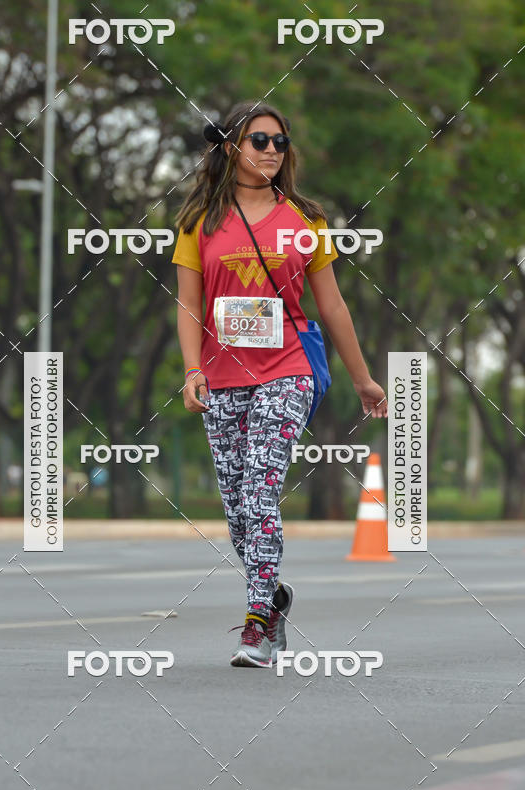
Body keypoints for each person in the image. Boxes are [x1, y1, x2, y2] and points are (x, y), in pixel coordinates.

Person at [171, 100, 387, 668]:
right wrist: (192, 370)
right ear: (228, 146)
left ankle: (257, 626)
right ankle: (274, 596)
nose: (270, 150)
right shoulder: (197, 222)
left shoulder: (305, 221)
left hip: (287, 369)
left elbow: (332, 304)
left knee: (261, 491)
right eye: (258, 140)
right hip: (220, 376)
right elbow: (188, 306)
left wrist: (363, 378)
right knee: (239, 507)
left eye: (279, 143)